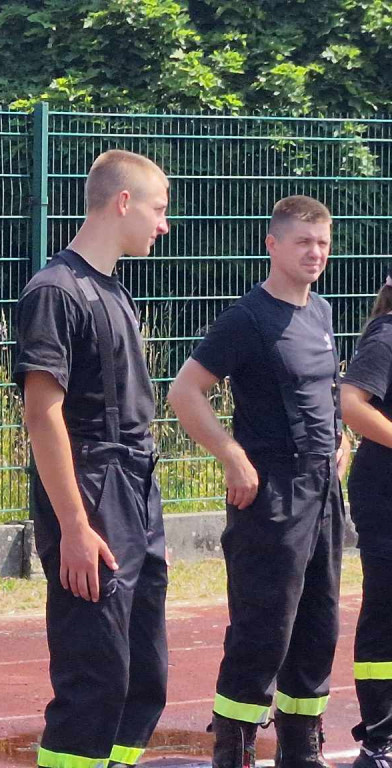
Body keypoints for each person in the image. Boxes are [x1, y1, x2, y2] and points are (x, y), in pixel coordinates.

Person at [168, 195, 350, 768]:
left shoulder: (319, 312)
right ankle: (235, 749)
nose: (315, 253)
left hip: (323, 491)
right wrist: (231, 456)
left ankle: (301, 748)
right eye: (303, 242)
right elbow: (185, 391)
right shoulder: (246, 319)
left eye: (322, 243)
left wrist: (342, 441)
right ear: (273, 246)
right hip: (272, 492)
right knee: (264, 626)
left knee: (319, 623)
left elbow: (326, 390)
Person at [14, 149, 171, 768]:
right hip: (94, 489)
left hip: (137, 483)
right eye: (159, 209)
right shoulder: (56, 291)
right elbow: (41, 414)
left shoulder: (113, 290)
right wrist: (76, 528)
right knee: (95, 672)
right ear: (123, 203)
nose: (165, 225)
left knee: (142, 670)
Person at [340, 268, 392, 768]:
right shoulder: (387, 335)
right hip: (385, 497)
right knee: (386, 613)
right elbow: (352, 405)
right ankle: (379, 738)